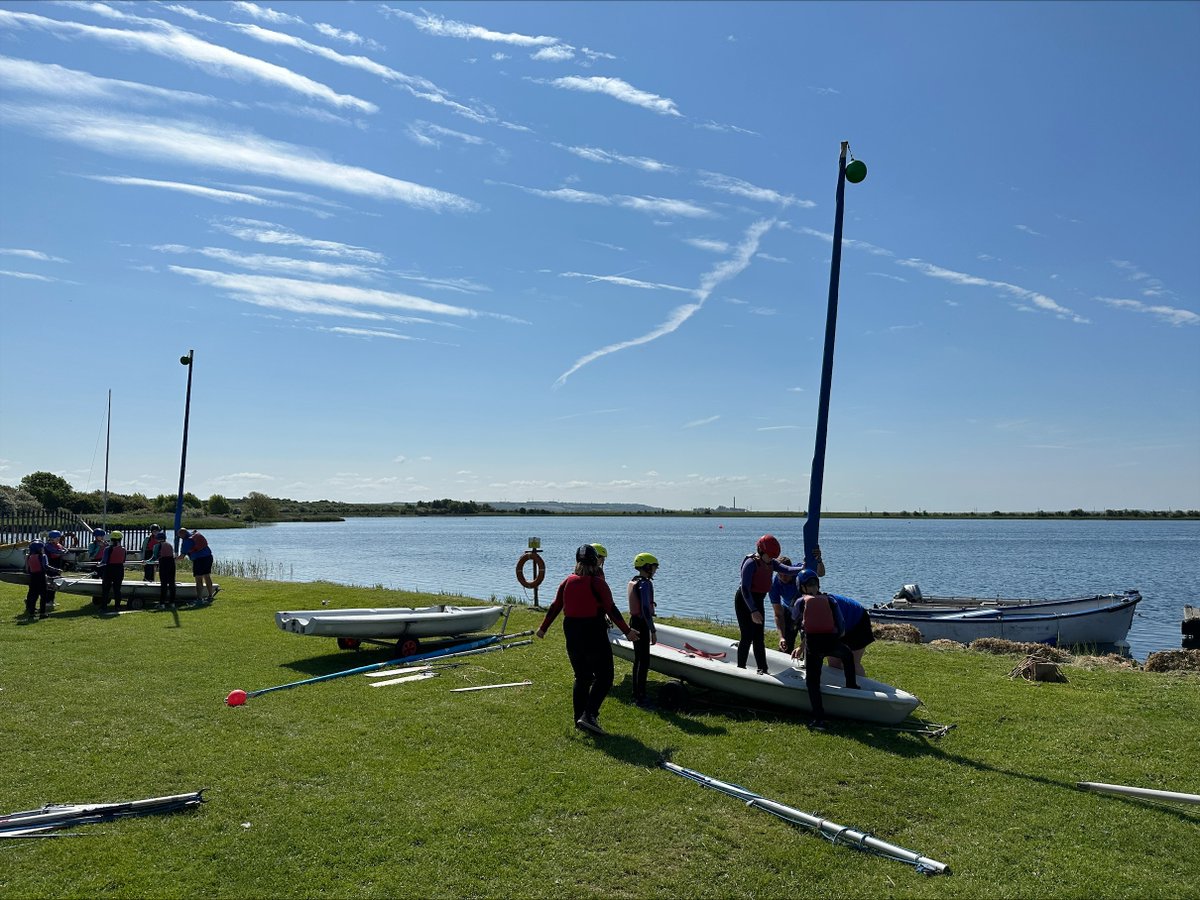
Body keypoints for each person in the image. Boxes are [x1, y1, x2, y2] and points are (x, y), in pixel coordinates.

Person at [536, 544, 639, 736]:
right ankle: (589, 715)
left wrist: (543, 628)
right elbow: (611, 608)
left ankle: (579, 719)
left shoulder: (567, 581)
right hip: (593, 630)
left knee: (582, 676)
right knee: (605, 677)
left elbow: (555, 606)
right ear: (595, 561)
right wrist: (627, 631)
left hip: (572, 631)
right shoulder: (597, 583)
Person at [790, 571, 859, 730]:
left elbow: (794, 620)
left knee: (812, 682)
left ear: (801, 586)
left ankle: (819, 719)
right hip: (831, 642)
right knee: (847, 655)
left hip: (814, 646)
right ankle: (851, 686)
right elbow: (840, 624)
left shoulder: (801, 601)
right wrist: (837, 636)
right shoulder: (830, 600)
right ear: (818, 585)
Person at [734, 534, 781, 674]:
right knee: (747, 635)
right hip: (745, 601)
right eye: (769, 556)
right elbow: (745, 589)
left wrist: (803, 566)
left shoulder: (771, 562)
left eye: (773, 557)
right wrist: (753, 610)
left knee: (759, 637)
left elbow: (787, 569)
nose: (771, 559)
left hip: (758, 601)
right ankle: (741, 668)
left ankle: (763, 669)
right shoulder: (751, 563)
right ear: (761, 551)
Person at [769, 548, 827, 653]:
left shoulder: (800, 571)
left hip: (808, 609)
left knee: (810, 644)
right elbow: (778, 614)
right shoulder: (774, 585)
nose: (783, 577)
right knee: (786, 644)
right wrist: (781, 637)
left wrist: (818, 560)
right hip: (789, 612)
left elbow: (820, 573)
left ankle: (808, 661)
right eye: (780, 574)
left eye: (786, 574)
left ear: (791, 569)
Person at [627, 552, 659, 708]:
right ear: (647, 567)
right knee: (644, 660)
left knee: (638, 659)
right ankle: (641, 697)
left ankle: (636, 693)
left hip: (634, 622)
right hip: (642, 624)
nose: (655, 570)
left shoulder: (634, 581)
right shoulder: (645, 584)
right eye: (654, 567)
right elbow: (646, 610)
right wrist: (652, 630)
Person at [826, 593, 874, 677]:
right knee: (834, 663)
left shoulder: (824, 605)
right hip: (840, 624)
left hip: (858, 621)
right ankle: (839, 685)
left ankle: (861, 687)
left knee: (852, 663)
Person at [24, 540, 61, 619]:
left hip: (33, 577)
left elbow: (28, 569)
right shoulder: (43, 556)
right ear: (38, 549)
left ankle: (31, 613)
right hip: (41, 577)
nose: (43, 549)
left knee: (33, 596)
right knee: (43, 596)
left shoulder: (28, 556)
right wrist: (57, 570)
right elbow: (46, 566)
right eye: (41, 548)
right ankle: (42, 613)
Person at [178, 527, 215, 603]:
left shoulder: (187, 541)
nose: (179, 537)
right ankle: (210, 596)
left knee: (198, 578)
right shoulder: (195, 534)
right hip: (208, 557)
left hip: (199, 560)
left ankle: (199, 598)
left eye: (179, 536)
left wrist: (173, 559)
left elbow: (182, 557)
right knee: (207, 576)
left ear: (182, 535)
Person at [97, 530, 127, 612]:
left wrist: (99, 564)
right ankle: (117, 606)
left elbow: (104, 561)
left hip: (109, 569)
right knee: (117, 589)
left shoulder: (107, 549)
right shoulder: (123, 549)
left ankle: (104, 607)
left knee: (106, 589)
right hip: (119, 569)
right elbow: (123, 560)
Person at [146, 530, 177, 608]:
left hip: (164, 563)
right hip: (172, 563)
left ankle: (162, 603)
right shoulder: (169, 545)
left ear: (158, 539)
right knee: (172, 583)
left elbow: (154, 558)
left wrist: (146, 562)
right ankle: (172, 603)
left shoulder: (157, 546)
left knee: (164, 584)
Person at [44, 530, 69, 611]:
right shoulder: (48, 545)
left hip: (57, 566)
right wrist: (62, 552)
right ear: (51, 538)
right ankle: (47, 601)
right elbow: (55, 551)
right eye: (56, 538)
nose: (58, 539)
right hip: (51, 567)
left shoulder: (58, 544)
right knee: (50, 584)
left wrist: (63, 551)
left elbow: (65, 550)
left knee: (55, 584)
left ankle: (51, 600)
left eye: (59, 538)